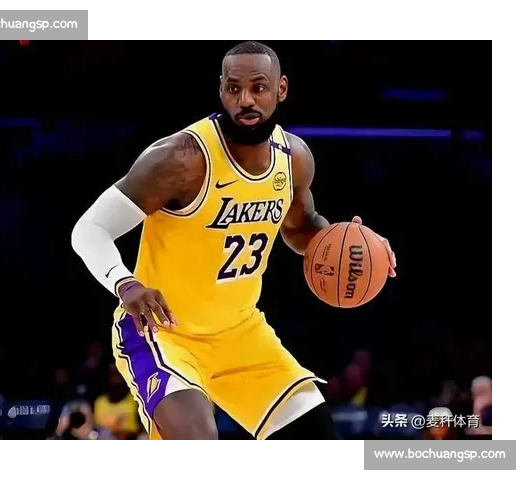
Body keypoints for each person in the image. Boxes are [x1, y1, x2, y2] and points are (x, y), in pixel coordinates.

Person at [72, 41, 396, 440]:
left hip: (241, 334)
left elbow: (300, 228)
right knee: (198, 441)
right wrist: (126, 283)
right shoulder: (181, 158)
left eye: (258, 87)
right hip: (162, 333)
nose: (245, 100)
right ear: (221, 89)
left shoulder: (294, 158)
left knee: (316, 440)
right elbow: (90, 228)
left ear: (281, 89)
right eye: (233, 88)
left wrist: (354, 242)